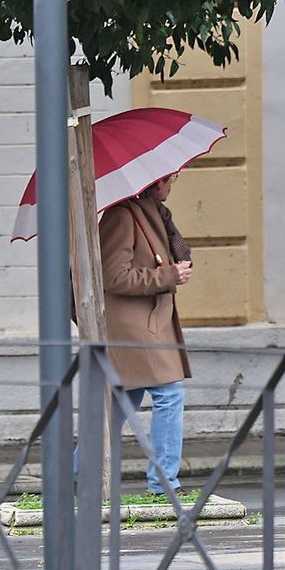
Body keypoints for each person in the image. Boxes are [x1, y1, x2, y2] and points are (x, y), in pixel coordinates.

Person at [100, 174, 193, 499]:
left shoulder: (151, 212)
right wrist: (168, 275)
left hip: (148, 322)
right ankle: (164, 483)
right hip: (133, 327)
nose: (172, 186)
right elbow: (113, 277)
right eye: (170, 180)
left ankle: (75, 475)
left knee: (121, 404)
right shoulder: (122, 216)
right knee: (170, 392)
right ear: (154, 183)